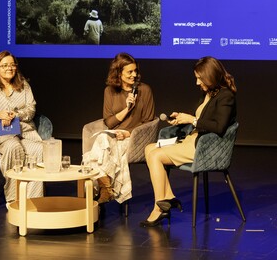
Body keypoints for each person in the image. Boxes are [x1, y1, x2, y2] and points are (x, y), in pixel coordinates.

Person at [140, 56, 237, 227]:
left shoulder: (226, 96)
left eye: (199, 78)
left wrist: (191, 120)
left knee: (155, 156)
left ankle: (159, 206)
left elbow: (220, 127)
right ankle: (168, 198)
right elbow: (201, 118)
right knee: (149, 148)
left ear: (210, 76)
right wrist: (182, 119)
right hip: (191, 140)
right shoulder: (208, 93)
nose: (197, 83)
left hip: (203, 148)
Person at [84, 52, 155, 204]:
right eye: (130, 72)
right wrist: (127, 108)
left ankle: (105, 191)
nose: (134, 75)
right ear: (119, 73)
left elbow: (149, 123)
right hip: (113, 135)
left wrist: (128, 134)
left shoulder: (145, 90)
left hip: (135, 139)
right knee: (103, 138)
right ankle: (107, 189)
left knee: (103, 146)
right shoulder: (109, 91)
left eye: (135, 71)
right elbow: (109, 123)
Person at [0, 51, 45, 204]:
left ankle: (34, 199)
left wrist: (16, 114)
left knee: (38, 150)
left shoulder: (23, 85)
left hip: (25, 132)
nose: (10, 68)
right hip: (4, 135)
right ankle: (14, 199)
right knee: (13, 147)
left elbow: (31, 109)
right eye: (5, 65)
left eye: (12, 65)